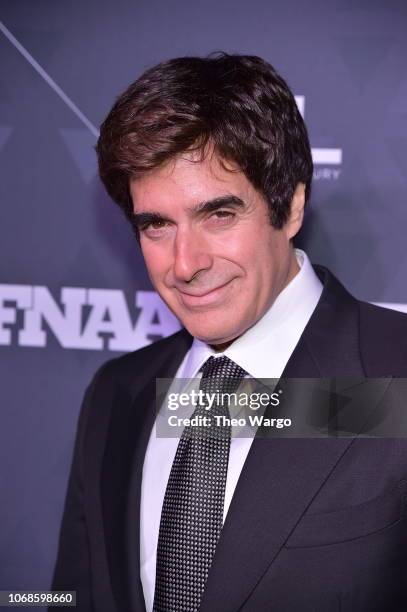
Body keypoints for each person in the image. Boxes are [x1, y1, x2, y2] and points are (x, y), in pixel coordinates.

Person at [51, 54, 407, 611]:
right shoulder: (117, 392)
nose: (185, 263)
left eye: (218, 214)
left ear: (290, 207)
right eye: (156, 225)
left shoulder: (396, 373)